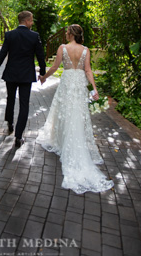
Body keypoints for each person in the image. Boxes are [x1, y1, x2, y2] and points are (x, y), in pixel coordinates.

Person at [37, 24, 114, 194]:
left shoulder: (62, 48)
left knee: (64, 113)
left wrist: (43, 77)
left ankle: (64, 143)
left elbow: (56, 67)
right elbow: (88, 70)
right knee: (77, 115)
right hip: (79, 85)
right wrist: (94, 89)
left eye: (66, 31)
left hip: (67, 83)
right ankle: (72, 141)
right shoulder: (85, 50)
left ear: (71, 34)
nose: (65, 33)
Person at [0, 11, 46, 148]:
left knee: (10, 98)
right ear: (26, 21)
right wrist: (42, 73)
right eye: (31, 20)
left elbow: (3, 53)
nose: (32, 23)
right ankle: (18, 136)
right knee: (24, 104)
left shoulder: (10, 35)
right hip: (26, 75)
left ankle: (10, 123)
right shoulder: (34, 36)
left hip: (11, 74)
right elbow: (40, 56)